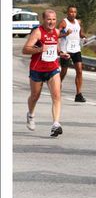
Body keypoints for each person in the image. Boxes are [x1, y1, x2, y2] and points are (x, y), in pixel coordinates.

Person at [22, 9, 70, 137]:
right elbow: (25, 50)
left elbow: (55, 46)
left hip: (53, 68)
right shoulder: (38, 32)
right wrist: (40, 49)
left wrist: (61, 54)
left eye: (54, 19)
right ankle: (31, 114)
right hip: (37, 69)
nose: (51, 22)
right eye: (49, 19)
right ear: (43, 20)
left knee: (56, 95)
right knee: (35, 96)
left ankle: (56, 124)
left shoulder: (56, 32)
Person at [58, 5, 87, 102]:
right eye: (71, 12)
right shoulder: (64, 22)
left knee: (79, 71)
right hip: (66, 50)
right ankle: (56, 88)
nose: (73, 14)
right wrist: (65, 34)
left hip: (76, 50)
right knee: (64, 72)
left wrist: (84, 37)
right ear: (67, 13)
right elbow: (57, 34)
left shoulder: (78, 22)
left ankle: (78, 94)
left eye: (74, 12)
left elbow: (80, 33)